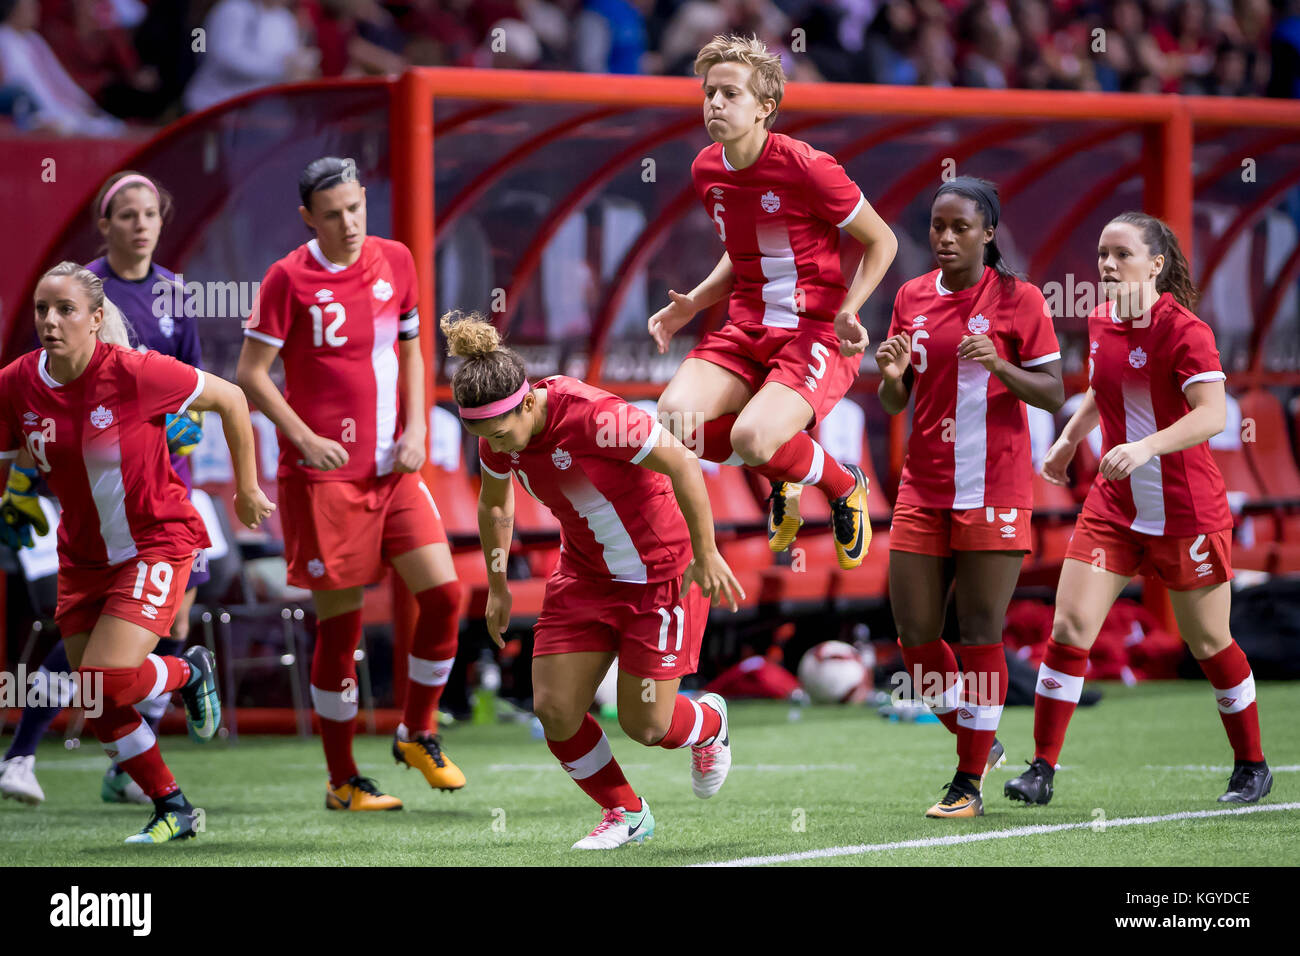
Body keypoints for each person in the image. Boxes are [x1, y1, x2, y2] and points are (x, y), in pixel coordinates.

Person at [445, 311, 744, 850]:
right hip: (583, 576)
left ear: (529, 402)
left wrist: (706, 553)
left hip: (662, 574)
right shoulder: (497, 434)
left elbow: (682, 463)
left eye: (500, 431)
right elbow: (495, 506)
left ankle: (707, 722)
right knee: (555, 710)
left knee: (647, 727)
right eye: (481, 433)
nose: (495, 444)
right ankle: (625, 812)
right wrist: (497, 585)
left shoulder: (595, 416)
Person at [0, 261, 274, 843]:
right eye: (42, 310)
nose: (50, 321)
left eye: (65, 310)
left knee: (104, 677)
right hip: (82, 556)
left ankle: (186, 669)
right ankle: (172, 807)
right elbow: (13, 449)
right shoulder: (18, 381)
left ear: (97, 320)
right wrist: (13, 493)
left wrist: (248, 488)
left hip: (157, 541)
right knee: (99, 698)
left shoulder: (134, 372)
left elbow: (230, 398)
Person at [1004, 212, 1272, 806]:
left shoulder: (1186, 330)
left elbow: (1213, 415)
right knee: (1069, 628)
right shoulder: (1100, 319)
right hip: (1114, 508)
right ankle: (1041, 769)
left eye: (1121, 254)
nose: (1106, 265)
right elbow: (1104, 392)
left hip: (1185, 512)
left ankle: (1251, 765)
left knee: (1209, 643)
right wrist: (1070, 440)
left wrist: (1144, 446)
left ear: (1155, 265)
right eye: (1102, 254)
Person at [237, 156, 463, 811]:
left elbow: (415, 348)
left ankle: (418, 730)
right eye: (332, 215)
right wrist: (303, 437)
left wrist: (420, 425)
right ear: (309, 217)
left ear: (367, 200)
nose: (349, 224)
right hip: (322, 480)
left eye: (356, 208)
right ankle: (342, 781)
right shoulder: (287, 277)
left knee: (445, 596)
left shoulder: (397, 259)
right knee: (343, 629)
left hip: (392, 470)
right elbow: (251, 372)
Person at [651, 34, 897, 573]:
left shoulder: (809, 167)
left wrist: (851, 309)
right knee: (674, 420)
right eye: (710, 93)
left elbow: (883, 241)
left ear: (765, 108)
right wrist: (691, 303)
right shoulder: (706, 170)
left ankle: (840, 485)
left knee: (752, 437)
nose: (715, 103)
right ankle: (793, 467)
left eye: (730, 94)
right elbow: (742, 254)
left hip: (815, 332)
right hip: (746, 327)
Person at [0, 171, 206, 808]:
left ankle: (128, 762)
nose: (141, 224)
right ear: (106, 224)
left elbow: (201, 390)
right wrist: (21, 483)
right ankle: (25, 751)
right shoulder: (77, 290)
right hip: (86, 492)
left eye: (151, 213)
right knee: (98, 654)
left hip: (163, 495)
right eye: (128, 214)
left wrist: (180, 427)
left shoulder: (177, 294)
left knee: (160, 626)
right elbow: (41, 403)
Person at [876, 177, 1064, 818]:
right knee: (915, 640)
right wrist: (893, 377)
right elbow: (896, 402)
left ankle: (966, 785)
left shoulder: (1021, 299)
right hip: (922, 487)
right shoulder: (910, 297)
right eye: (937, 226)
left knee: (980, 631)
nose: (946, 238)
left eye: (960, 227)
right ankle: (977, 738)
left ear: (988, 233)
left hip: (994, 485)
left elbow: (1053, 392)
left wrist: (1002, 367)